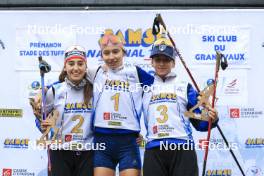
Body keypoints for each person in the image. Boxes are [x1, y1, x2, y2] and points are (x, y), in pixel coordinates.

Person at [142, 36, 219, 176]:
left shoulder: (185, 87)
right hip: (154, 148)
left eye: (166, 60)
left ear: (173, 63)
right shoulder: (144, 85)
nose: (161, 64)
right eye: (157, 60)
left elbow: (200, 123)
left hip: (182, 148)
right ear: (151, 62)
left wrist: (212, 119)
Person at [86, 32, 153, 176]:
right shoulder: (95, 71)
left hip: (128, 141)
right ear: (101, 55)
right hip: (102, 141)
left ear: (123, 52)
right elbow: (73, 75)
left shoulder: (135, 72)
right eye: (106, 53)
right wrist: (47, 90)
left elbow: (160, 86)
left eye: (115, 52)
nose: (111, 57)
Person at [32, 45, 94, 176]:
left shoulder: (95, 89)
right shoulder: (54, 90)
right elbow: (42, 119)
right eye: (71, 64)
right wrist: (43, 126)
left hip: (88, 152)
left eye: (80, 64)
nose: (76, 68)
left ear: (86, 67)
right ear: (65, 67)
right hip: (60, 151)